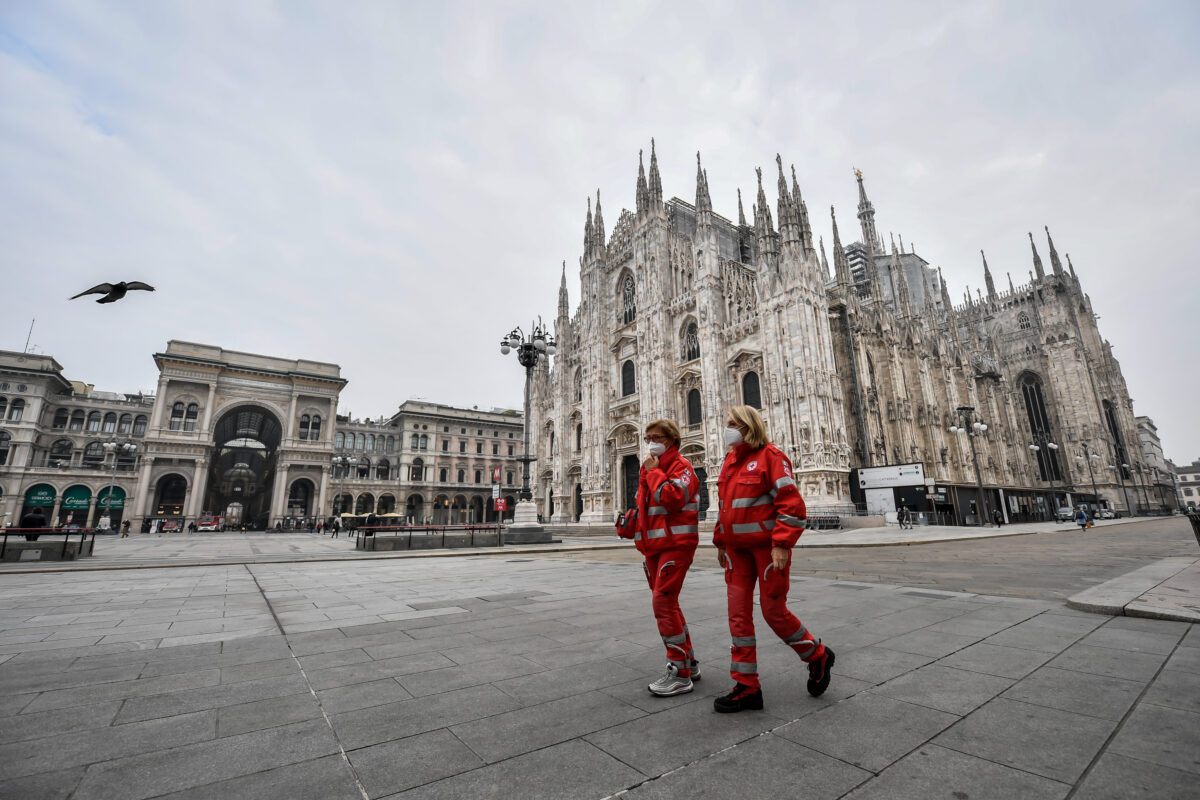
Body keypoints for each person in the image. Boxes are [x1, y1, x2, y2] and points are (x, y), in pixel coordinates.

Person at [713, 405, 835, 713]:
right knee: (737, 615)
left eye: (732, 423)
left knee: (774, 612)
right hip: (737, 552)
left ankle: (816, 655)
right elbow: (725, 508)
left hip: (767, 551)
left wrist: (781, 544)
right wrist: (720, 542)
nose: (727, 428)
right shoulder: (729, 462)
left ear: (748, 426)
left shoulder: (771, 457)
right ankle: (747, 686)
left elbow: (791, 505)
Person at [616, 419, 702, 696]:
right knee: (669, 602)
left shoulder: (683, 468)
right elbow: (646, 506)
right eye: (648, 437)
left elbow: (673, 498)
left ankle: (679, 672)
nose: (651, 441)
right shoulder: (647, 468)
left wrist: (653, 473)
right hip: (653, 545)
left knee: (663, 602)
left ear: (672, 440)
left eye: (657, 437)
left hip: (676, 543)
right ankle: (688, 661)